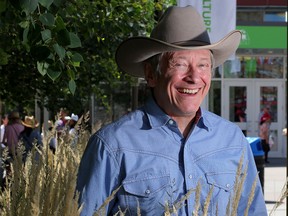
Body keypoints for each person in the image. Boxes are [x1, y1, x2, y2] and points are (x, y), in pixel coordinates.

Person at [76, 6, 267, 215]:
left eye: (203, 65)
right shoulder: (112, 145)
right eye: (180, 64)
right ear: (151, 74)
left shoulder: (232, 141)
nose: (194, 77)